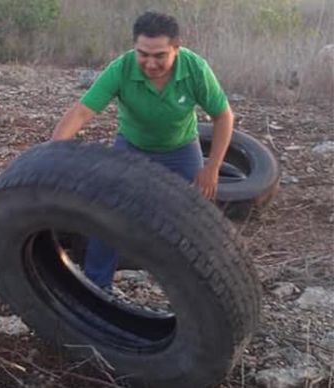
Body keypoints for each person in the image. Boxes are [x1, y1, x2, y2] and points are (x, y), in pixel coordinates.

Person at [52, 11, 234, 291]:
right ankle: (97, 287)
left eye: (159, 55)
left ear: (177, 48)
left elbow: (223, 117)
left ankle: (198, 293)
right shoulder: (122, 68)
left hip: (181, 149)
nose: (150, 63)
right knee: (108, 211)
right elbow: (82, 112)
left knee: (198, 220)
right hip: (132, 146)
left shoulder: (196, 69)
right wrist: (52, 153)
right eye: (143, 54)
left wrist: (212, 169)